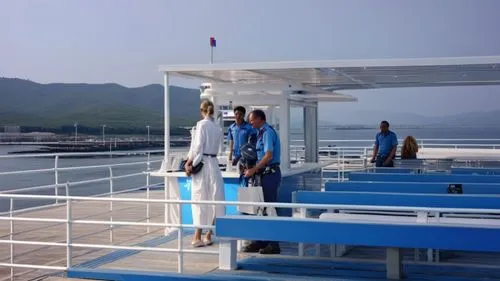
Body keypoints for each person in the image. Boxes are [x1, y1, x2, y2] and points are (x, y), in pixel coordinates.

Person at [185, 99, 225, 247]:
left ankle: (197, 236)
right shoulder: (217, 127)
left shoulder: (201, 125)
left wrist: (189, 164)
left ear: (201, 111)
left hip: (203, 165)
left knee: (200, 199)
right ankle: (209, 234)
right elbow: (219, 148)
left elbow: (197, 148)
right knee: (215, 199)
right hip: (214, 164)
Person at [243, 109, 281, 254]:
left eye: (252, 120)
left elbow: (268, 156)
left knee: (269, 209)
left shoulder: (266, 132)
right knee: (260, 209)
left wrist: (253, 170)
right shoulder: (259, 133)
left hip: (270, 174)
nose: (250, 123)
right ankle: (261, 241)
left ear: (260, 119)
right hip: (262, 175)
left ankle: (274, 243)